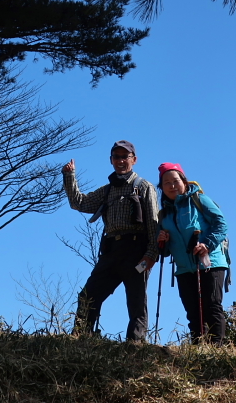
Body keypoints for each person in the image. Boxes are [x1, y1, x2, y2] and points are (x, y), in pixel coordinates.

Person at [62, 140, 159, 341]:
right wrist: (69, 176)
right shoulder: (107, 190)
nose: (121, 161)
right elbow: (78, 202)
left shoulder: (144, 187)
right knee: (89, 295)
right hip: (111, 249)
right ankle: (81, 338)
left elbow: (153, 222)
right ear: (111, 160)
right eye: (117, 157)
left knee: (136, 301)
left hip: (136, 249)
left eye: (126, 157)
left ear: (134, 160)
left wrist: (151, 254)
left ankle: (135, 344)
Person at [156, 162, 229, 344]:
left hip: (210, 261)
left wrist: (207, 244)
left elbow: (221, 224)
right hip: (183, 268)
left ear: (184, 181)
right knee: (193, 311)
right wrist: (161, 241)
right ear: (161, 187)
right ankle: (198, 349)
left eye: (175, 181)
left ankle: (217, 350)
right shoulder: (163, 215)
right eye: (166, 183)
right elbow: (164, 253)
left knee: (212, 306)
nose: (172, 186)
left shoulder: (198, 199)